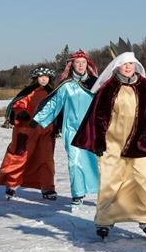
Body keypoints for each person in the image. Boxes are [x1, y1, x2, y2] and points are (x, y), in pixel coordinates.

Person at [72, 50, 146, 240]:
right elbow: (98, 116)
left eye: (131, 64)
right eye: (125, 64)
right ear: (117, 66)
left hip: (139, 143)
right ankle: (105, 220)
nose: (128, 67)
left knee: (142, 180)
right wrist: (99, 141)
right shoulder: (108, 87)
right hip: (112, 143)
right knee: (110, 181)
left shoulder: (145, 85)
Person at [32, 50, 100, 206]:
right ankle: (77, 194)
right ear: (72, 65)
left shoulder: (97, 84)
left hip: (92, 129)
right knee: (74, 161)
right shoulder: (66, 85)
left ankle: (99, 191)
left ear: (87, 64)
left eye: (84, 62)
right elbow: (54, 104)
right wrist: (39, 119)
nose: (81, 65)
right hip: (71, 129)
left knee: (93, 161)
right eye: (78, 62)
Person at [0, 67, 58, 200]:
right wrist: (21, 113)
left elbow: (59, 109)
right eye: (41, 76)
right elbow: (18, 104)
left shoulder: (53, 93)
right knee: (20, 156)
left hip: (46, 132)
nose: (43, 79)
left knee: (45, 159)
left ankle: (47, 187)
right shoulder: (28, 92)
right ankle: (11, 185)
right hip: (27, 130)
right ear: (36, 78)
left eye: (46, 77)